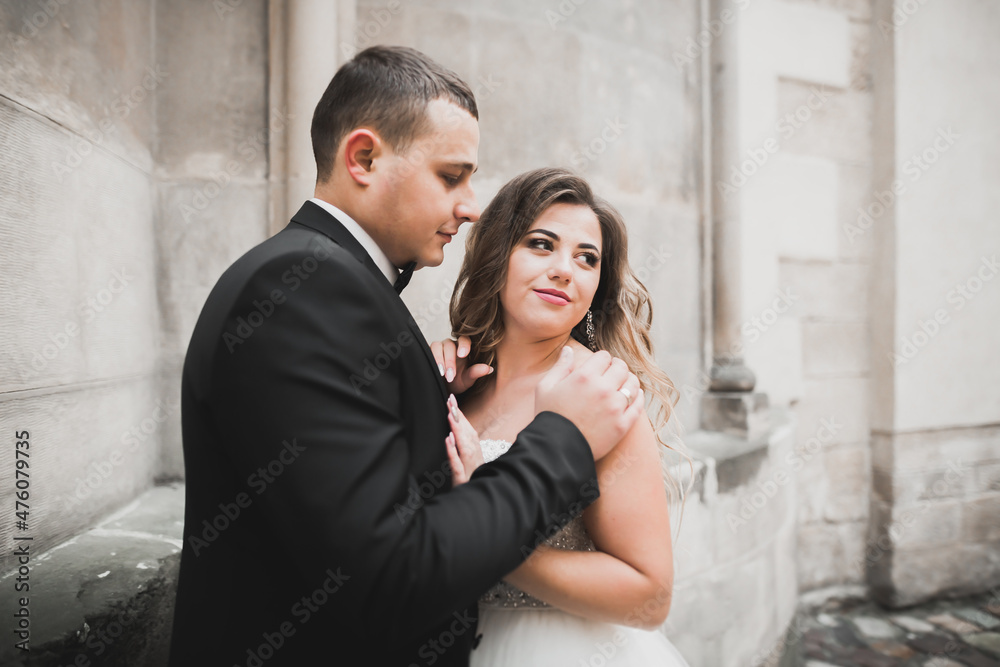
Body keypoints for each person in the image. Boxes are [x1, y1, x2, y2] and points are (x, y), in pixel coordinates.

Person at [167, 46, 647, 666]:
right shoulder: (303, 290)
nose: (471, 205)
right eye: (452, 176)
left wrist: (430, 397)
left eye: (588, 257)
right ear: (363, 157)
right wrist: (564, 436)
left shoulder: (327, 284)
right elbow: (390, 575)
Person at [431, 168, 692, 666]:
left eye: (586, 258)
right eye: (541, 244)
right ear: (496, 257)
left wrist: (495, 546)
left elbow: (650, 595)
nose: (564, 270)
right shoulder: (457, 385)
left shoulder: (601, 396)